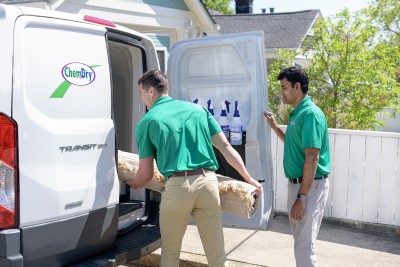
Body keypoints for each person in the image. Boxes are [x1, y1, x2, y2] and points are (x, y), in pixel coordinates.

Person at [126, 69, 262, 267]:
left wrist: (133, 183)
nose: (141, 97)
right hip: (208, 184)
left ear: (151, 91)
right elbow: (226, 147)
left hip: (178, 188)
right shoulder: (198, 110)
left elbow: (145, 175)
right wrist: (249, 179)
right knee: (217, 255)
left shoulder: (147, 122)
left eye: (141, 92)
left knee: (171, 254)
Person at [263, 66, 330, 267]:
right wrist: (275, 127)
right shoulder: (297, 114)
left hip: (309, 188)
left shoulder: (310, 115)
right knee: (300, 245)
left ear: (297, 86)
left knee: (303, 249)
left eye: (284, 87)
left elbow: (312, 158)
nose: (281, 92)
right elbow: (296, 146)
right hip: (299, 186)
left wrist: (302, 197)